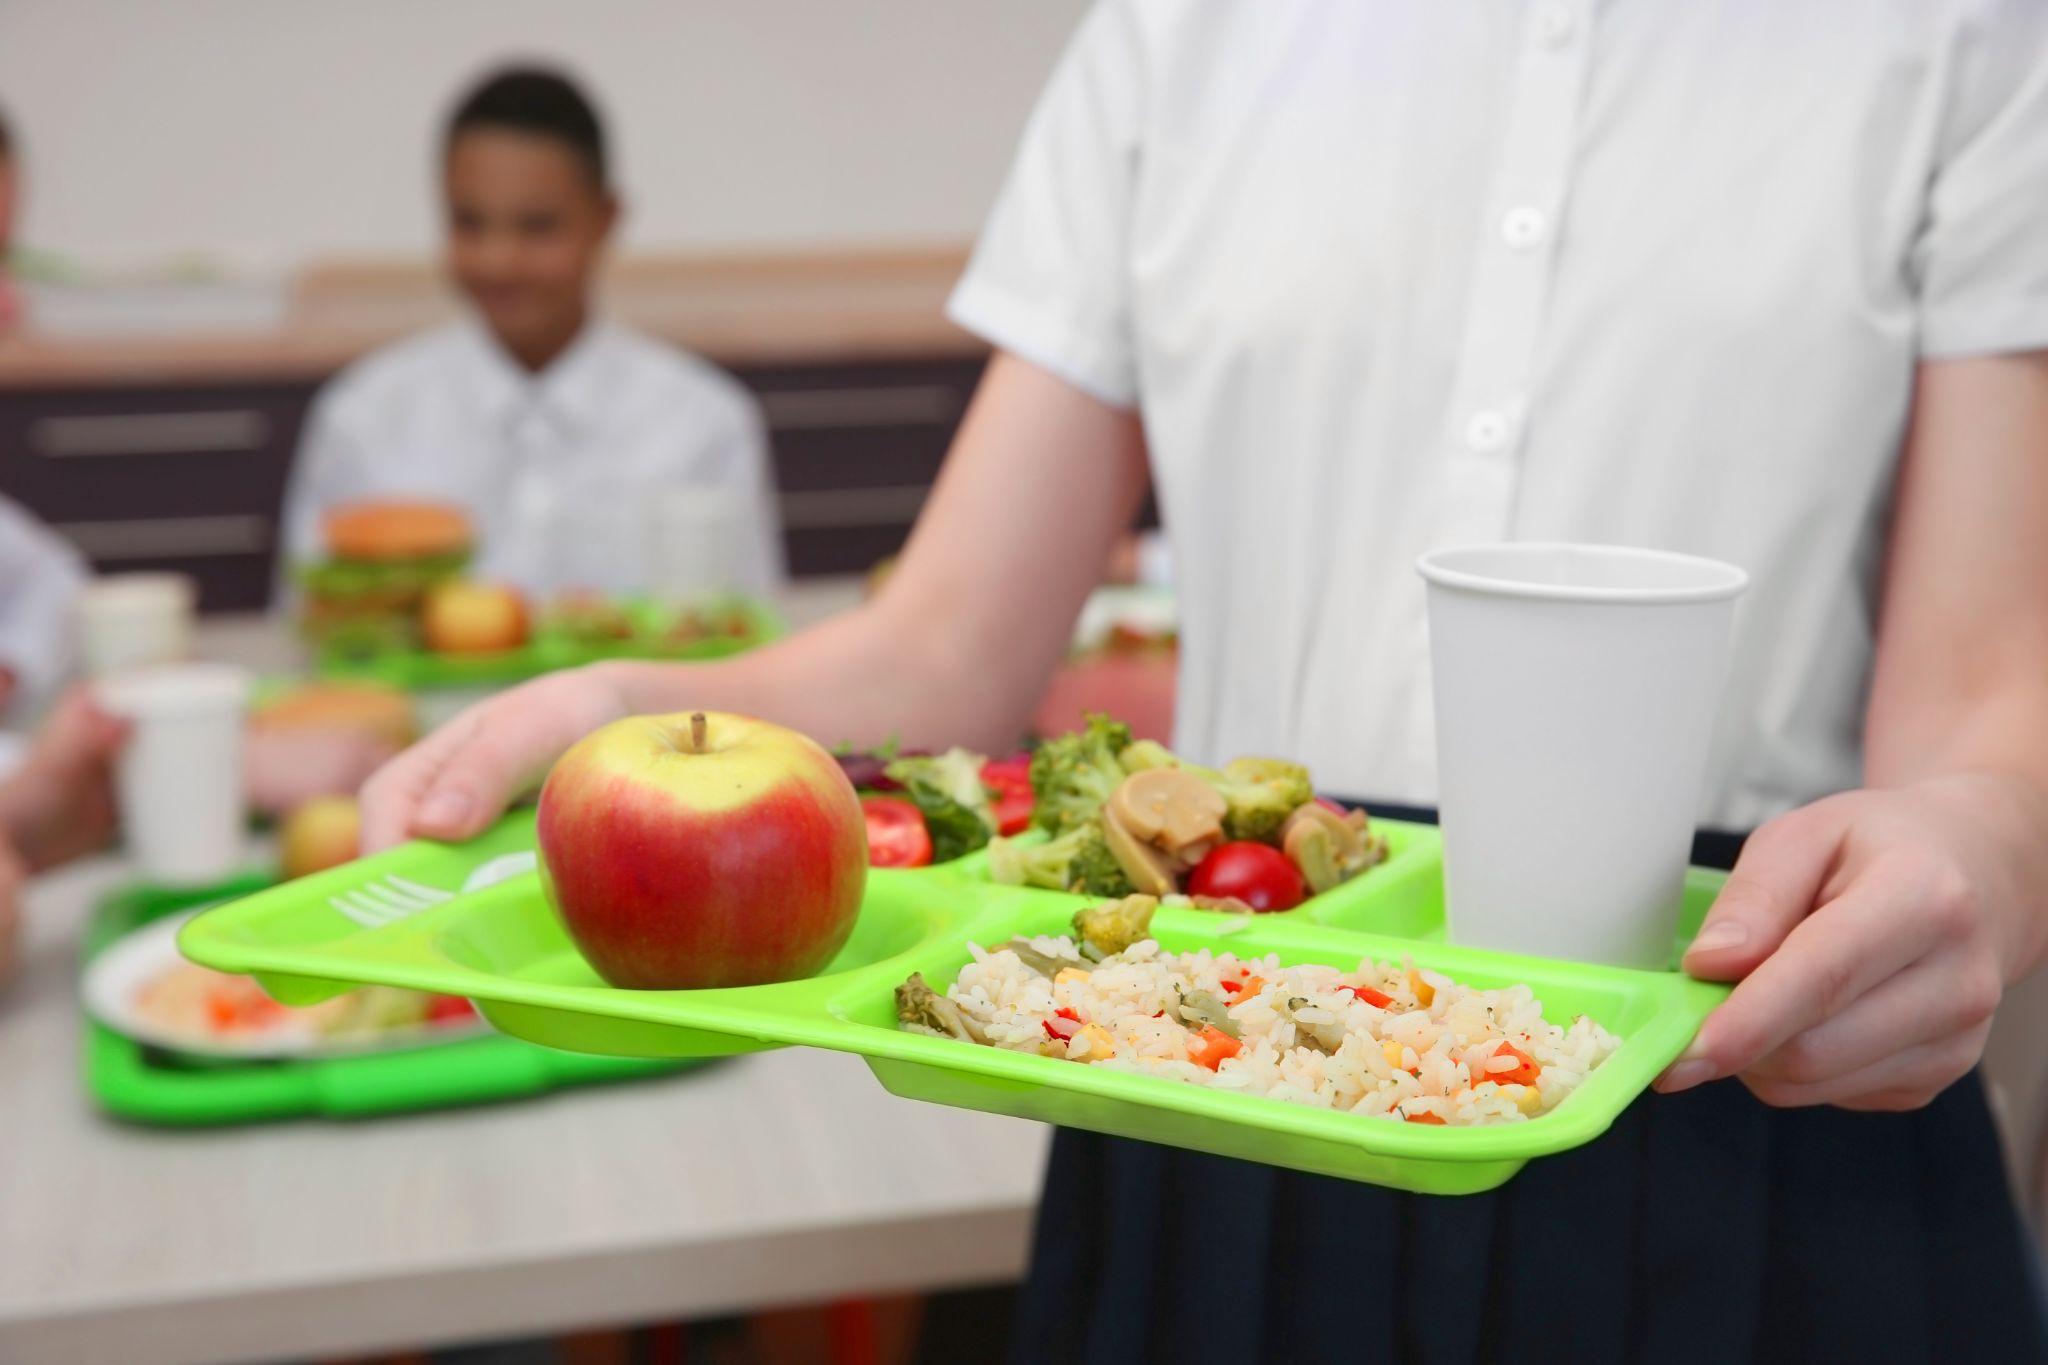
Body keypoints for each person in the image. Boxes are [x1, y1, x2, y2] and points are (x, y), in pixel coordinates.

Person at [360, 4, 2048, 1360]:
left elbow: (1974, 721)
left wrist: (1988, 845)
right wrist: (632, 713)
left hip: (1738, 1068)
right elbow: (953, 647)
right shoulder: (1173, 36)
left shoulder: (1971, 37)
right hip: (1222, 1065)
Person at [279, 66, 784, 601]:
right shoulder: (365, 418)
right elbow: (309, 638)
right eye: (469, 223)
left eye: (537, 227)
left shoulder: (702, 423)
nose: (499, 262)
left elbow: (749, 642)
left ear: (606, 220)